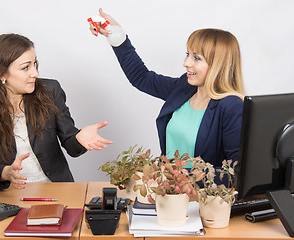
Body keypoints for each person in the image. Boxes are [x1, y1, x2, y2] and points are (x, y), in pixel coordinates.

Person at [89, 9, 245, 173]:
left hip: (198, 196)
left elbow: (235, 172)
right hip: (168, 192)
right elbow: (141, 77)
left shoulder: (231, 106)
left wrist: (183, 178)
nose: (186, 63)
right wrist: (117, 35)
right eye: (188, 54)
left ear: (218, 64)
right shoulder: (184, 88)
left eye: (196, 58)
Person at [0, 33, 112, 190]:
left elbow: (71, 145)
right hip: (8, 194)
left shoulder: (50, 91)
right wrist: (5, 172)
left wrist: (79, 138)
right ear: (1, 74)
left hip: (55, 190)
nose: (35, 73)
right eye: (25, 67)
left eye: (34, 64)